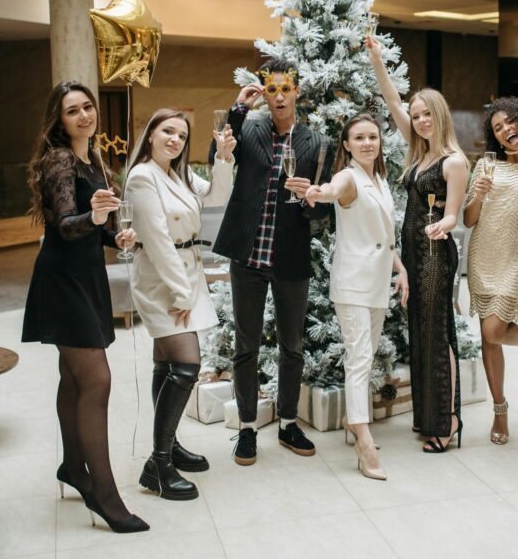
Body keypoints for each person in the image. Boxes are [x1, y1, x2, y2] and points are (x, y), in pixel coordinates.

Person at [22, 80, 148, 533]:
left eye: (88, 107)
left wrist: (116, 236)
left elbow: (92, 229)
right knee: (97, 379)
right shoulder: (59, 159)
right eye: (72, 110)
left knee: (74, 378)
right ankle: (105, 496)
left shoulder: (92, 158)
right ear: (59, 120)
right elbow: (64, 226)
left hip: (86, 276)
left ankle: (73, 467)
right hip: (63, 280)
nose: (83, 115)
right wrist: (94, 218)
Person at [210, 57, 333, 466]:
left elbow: (324, 211)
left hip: (290, 256)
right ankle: (247, 428)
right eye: (272, 89)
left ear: (297, 91)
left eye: (286, 89)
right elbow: (217, 152)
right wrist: (238, 107)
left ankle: (288, 423)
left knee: (292, 346)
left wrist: (309, 197)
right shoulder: (248, 128)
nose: (279, 96)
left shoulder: (317, 143)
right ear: (264, 92)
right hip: (247, 255)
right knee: (245, 346)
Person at [124, 108, 236, 500]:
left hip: (187, 269)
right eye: (167, 131)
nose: (175, 140)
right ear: (151, 134)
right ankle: (157, 464)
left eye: (182, 135)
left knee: (167, 364)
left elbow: (217, 196)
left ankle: (168, 446)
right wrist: (180, 293)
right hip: (162, 280)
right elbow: (156, 240)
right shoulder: (142, 177)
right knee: (187, 366)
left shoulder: (179, 173)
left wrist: (223, 157)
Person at [367, 35, 469, 453]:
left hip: (435, 255)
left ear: (440, 115)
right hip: (412, 254)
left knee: (437, 333)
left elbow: (454, 215)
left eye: (427, 114)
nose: (421, 120)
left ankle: (448, 421)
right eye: (416, 115)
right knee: (420, 334)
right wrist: (377, 60)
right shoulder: (419, 150)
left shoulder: (454, 161)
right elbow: (392, 101)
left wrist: (442, 224)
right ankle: (429, 416)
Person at [305, 113, 409, 480]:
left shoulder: (378, 178)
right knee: (359, 357)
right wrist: (320, 193)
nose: (367, 143)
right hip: (352, 282)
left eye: (372, 137)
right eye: (359, 138)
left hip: (378, 280)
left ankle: (355, 420)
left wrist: (400, 268)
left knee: (367, 354)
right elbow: (333, 189)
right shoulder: (348, 176)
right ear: (346, 145)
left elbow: (384, 234)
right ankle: (364, 440)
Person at [463, 97, 518, 445]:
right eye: (497, 128)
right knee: (488, 337)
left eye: (509, 123)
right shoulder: (486, 166)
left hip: (515, 258)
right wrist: (478, 195)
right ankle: (499, 410)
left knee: (496, 329)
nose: (505, 131)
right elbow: (469, 220)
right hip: (482, 256)